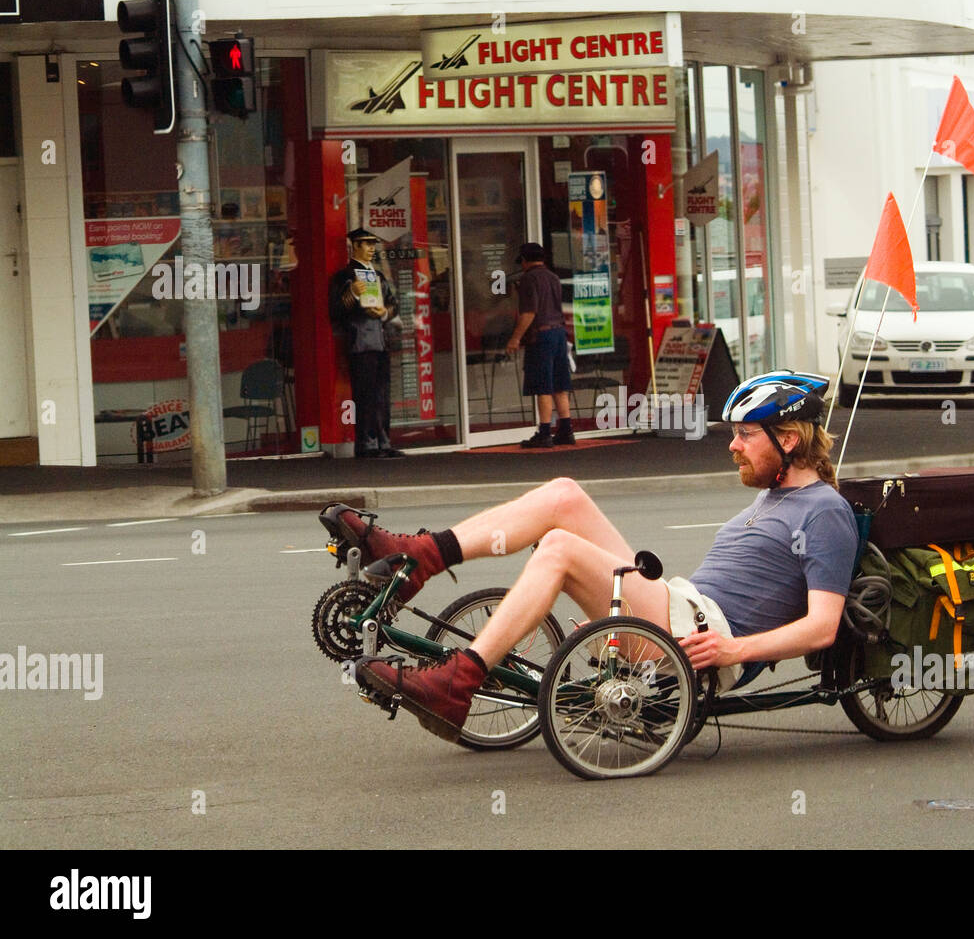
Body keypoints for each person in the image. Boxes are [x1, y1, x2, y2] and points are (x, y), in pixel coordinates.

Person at [323, 371, 859, 744]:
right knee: (564, 495)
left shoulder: (824, 512)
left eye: (745, 434)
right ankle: (417, 557)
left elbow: (821, 628)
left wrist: (733, 650)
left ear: (788, 440)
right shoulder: (775, 497)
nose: (733, 445)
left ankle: (457, 682)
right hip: (676, 609)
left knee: (559, 547)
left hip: (697, 639)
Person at [328, 228, 402, 458]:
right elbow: (335, 310)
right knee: (365, 395)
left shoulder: (378, 276)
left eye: (373, 244)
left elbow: (393, 304)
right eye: (366, 244)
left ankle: (383, 441)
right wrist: (351, 293)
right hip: (359, 341)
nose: (371, 248)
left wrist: (383, 312)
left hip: (380, 341)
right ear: (355, 246)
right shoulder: (344, 277)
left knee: (382, 395)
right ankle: (366, 443)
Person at [506, 242, 574, 448]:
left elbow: (529, 313)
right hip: (559, 333)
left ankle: (544, 432)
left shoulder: (528, 279)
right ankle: (566, 430)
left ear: (525, 261)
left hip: (541, 336)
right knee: (560, 384)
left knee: (543, 385)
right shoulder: (553, 277)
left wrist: (516, 337)